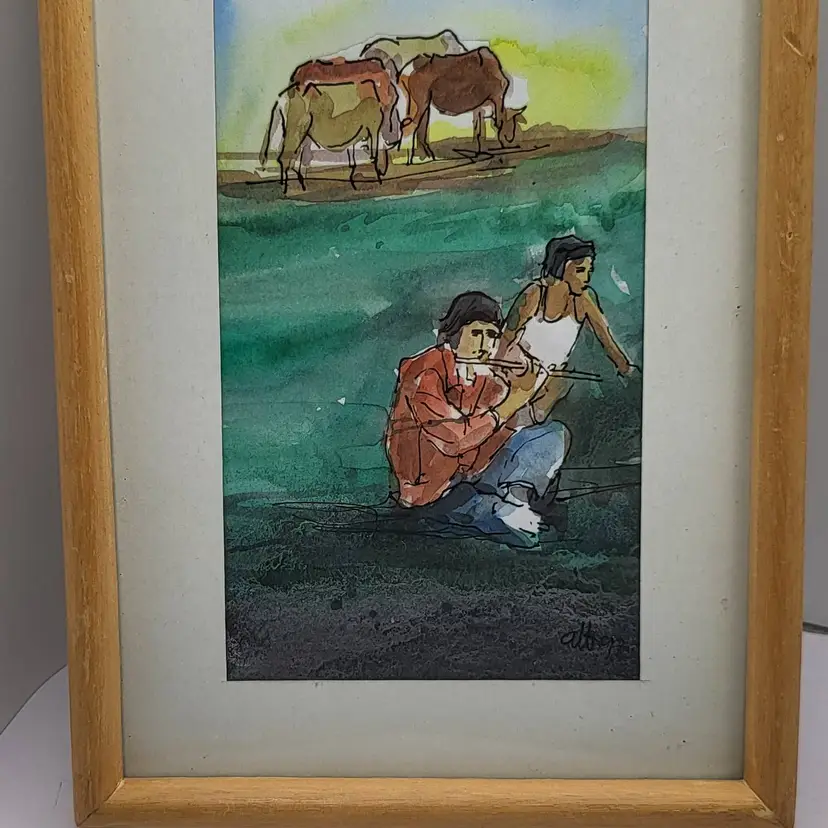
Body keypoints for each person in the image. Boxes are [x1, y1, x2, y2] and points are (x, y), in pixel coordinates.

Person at [385, 292, 570, 549]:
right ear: (454, 333)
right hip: (433, 493)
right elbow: (453, 440)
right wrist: (512, 401)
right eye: (476, 333)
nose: (484, 343)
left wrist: (540, 397)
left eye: (491, 335)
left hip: (471, 478)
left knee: (552, 433)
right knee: (526, 536)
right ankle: (507, 511)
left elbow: (504, 433)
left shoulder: (489, 381)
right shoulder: (426, 370)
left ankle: (514, 501)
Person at [498, 235, 636, 424]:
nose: (587, 277)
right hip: (516, 374)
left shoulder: (585, 299)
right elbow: (505, 339)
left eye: (589, 270)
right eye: (580, 270)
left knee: (561, 383)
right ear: (562, 267)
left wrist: (628, 371)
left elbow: (606, 339)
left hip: (548, 384)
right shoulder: (535, 294)